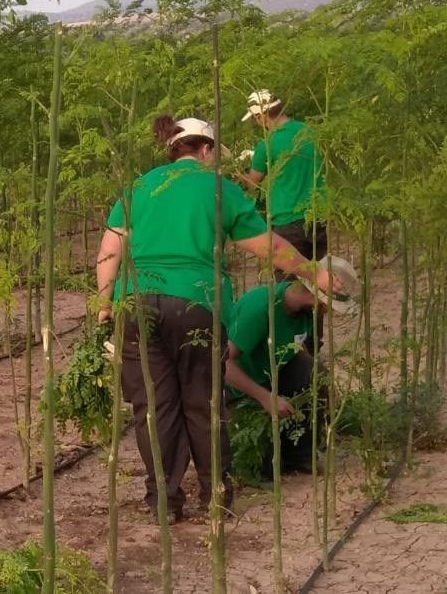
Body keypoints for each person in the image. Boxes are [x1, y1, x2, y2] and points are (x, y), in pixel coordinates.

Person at [95, 114, 333, 521]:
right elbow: (266, 246)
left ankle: (164, 503)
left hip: (134, 303)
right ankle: (216, 497)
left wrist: (104, 304)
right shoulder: (219, 189)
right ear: (205, 150)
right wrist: (313, 271)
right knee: (203, 402)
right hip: (195, 303)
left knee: (153, 406)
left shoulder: (138, 186)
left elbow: (110, 249)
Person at [224, 256, 360, 476]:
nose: (330, 311)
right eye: (330, 305)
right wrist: (265, 397)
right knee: (262, 470)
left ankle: (301, 456)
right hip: (238, 390)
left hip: (274, 381)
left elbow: (299, 351)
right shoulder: (261, 307)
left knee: (313, 371)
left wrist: (321, 385)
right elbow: (224, 364)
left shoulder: (305, 313)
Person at [240, 89, 328, 263]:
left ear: (262, 116)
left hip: (286, 220)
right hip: (318, 217)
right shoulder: (311, 132)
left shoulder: (266, 144)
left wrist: (237, 172)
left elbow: (252, 184)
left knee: (289, 284)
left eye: (256, 118)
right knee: (319, 277)